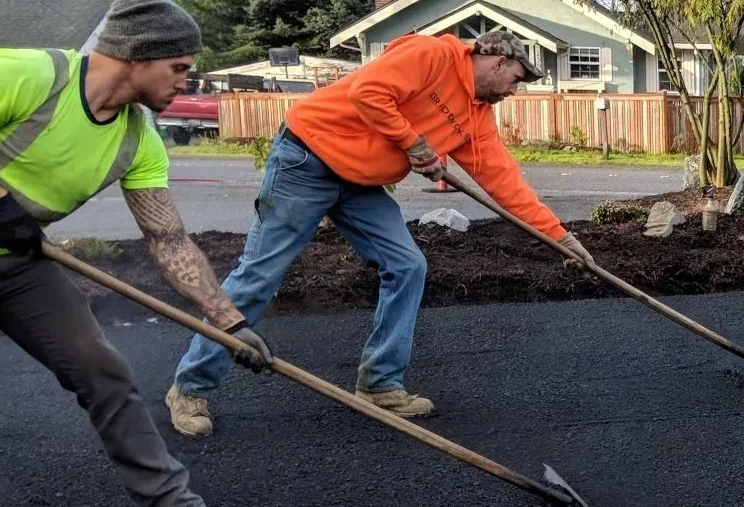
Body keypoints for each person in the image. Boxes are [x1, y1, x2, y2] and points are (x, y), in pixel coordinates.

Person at [0, 0, 273, 507]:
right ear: (138, 56)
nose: (189, 82)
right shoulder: (28, 74)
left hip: (18, 261)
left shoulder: (138, 138)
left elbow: (170, 239)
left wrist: (228, 323)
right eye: (180, 68)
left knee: (105, 372)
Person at [165, 29, 592, 436]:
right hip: (307, 159)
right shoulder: (431, 55)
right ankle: (190, 389)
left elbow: (505, 182)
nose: (513, 92)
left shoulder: (476, 115)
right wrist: (413, 143)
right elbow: (366, 93)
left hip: (360, 184)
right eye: (515, 80)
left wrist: (560, 238)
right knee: (259, 275)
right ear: (499, 61)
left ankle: (380, 385)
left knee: (407, 265)